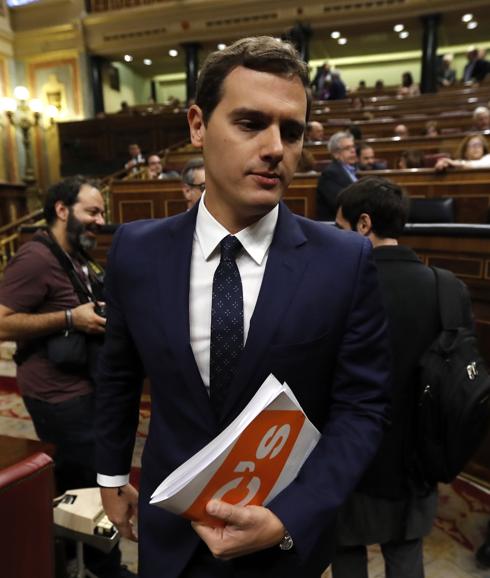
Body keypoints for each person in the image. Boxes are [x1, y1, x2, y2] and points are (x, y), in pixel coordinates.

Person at [95, 36, 391, 578]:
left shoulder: (343, 260)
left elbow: (363, 409)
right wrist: (112, 477)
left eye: (293, 131)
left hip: (282, 545)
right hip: (170, 534)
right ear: (197, 125)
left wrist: (289, 516)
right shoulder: (136, 250)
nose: (277, 147)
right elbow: (117, 373)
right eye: (252, 123)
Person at [333, 176, 473, 578]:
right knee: (407, 556)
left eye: (341, 228)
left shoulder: (336, 288)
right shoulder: (450, 288)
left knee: (345, 555)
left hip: (351, 454)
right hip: (420, 455)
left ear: (363, 225)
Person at [0, 176, 134, 578]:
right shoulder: (35, 258)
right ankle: (103, 568)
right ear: (62, 210)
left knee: (86, 477)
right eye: (91, 211)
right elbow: (2, 324)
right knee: (91, 483)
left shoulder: (73, 253)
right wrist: (70, 318)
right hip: (57, 396)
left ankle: (78, 557)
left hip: (81, 385)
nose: (99, 220)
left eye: (101, 213)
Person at [316, 130, 358, 220]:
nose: (353, 151)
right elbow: (340, 203)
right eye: (347, 148)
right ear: (336, 154)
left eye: (353, 147)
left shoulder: (352, 170)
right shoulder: (330, 173)